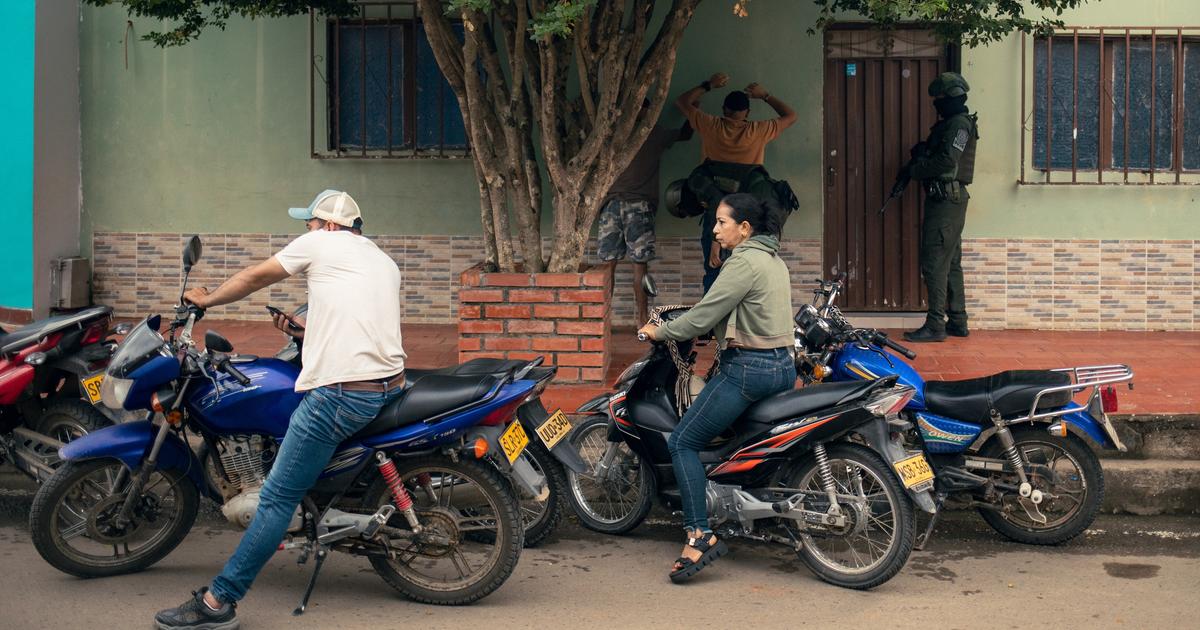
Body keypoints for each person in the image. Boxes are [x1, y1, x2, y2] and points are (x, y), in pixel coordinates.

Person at [155, 190, 407, 630]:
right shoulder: (382, 259)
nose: (305, 230)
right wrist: (305, 332)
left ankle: (217, 603)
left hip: (342, 395)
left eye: (310, 223)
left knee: (275, 499)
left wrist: (205, 300)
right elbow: (357, 320)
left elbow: (255, 276)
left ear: (330, 225)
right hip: (386, 384)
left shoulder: (321, 242)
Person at [637, 193, 797, 583]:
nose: (715, 229)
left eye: (722, 222)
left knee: (683, 442)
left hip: (749, 371)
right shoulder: (773, 260)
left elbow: (703, 315)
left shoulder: (742, 262)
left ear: (745, 228)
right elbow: (742, 311)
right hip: (782, 367)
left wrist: (660, 331)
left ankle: (699, 534)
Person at [675, 72, 797, 293]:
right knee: (745, 275)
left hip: (716, 213)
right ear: (747, 113)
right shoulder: (758, 130)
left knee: (714, 272)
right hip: (747, 217)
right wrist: (765, 95)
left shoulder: (710, 124)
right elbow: (791, 116)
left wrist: (708, 85)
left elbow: (682, 102)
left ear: (724, 110)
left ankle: (714, 314)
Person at [899, 71, 979, 343]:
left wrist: (916, 169)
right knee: (951, 262)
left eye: (940, 99)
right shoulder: (953, 124)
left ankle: (935, 324)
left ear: (950, 98)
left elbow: (947, 161)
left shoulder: (959, 125)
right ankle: (958, 320)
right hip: (948, 200)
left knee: (934, 262)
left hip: (946, 202)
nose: (937, 104)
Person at [599, 101, 693, 324]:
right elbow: (685, 134)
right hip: (639, 206)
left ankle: (603, 322)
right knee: (639, 266)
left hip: (611, 205)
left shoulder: (613, 134)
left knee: (607, 266)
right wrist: (693, 110)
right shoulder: (653, 133)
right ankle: (641, 321)